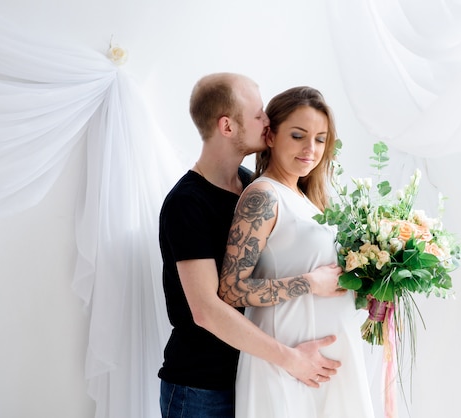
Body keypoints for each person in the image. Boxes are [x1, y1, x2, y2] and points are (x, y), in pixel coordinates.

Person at [158, 73, 347, 418]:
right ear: (227, 126)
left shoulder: (252, 184)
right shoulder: (187, 203)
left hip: (256, 373)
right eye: (259, 114)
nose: (267, 120)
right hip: (202, 386)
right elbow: (207, 311)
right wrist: (291, 358)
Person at [219, 86, 376, 417]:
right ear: (271, 136)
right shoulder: (263, 196)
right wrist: (308, 283)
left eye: (320, 139)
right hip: (285, 366)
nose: (311, 148)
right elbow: (230, 290)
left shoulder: (310, 201)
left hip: (326, 365)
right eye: (298, 135)